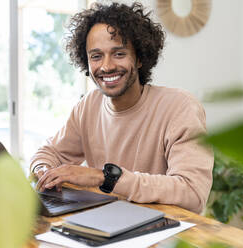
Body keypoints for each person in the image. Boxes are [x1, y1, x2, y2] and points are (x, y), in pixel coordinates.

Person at [30, 2, 213, 213]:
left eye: (119, 54)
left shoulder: (180, 107)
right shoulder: (88, 106)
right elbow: (49, 152)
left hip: (164, 234)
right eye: (96, 56)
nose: (107, 66)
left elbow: (192, 193)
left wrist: (104, 177)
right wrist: (44, 171)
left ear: (140, 58)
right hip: (104, 226)